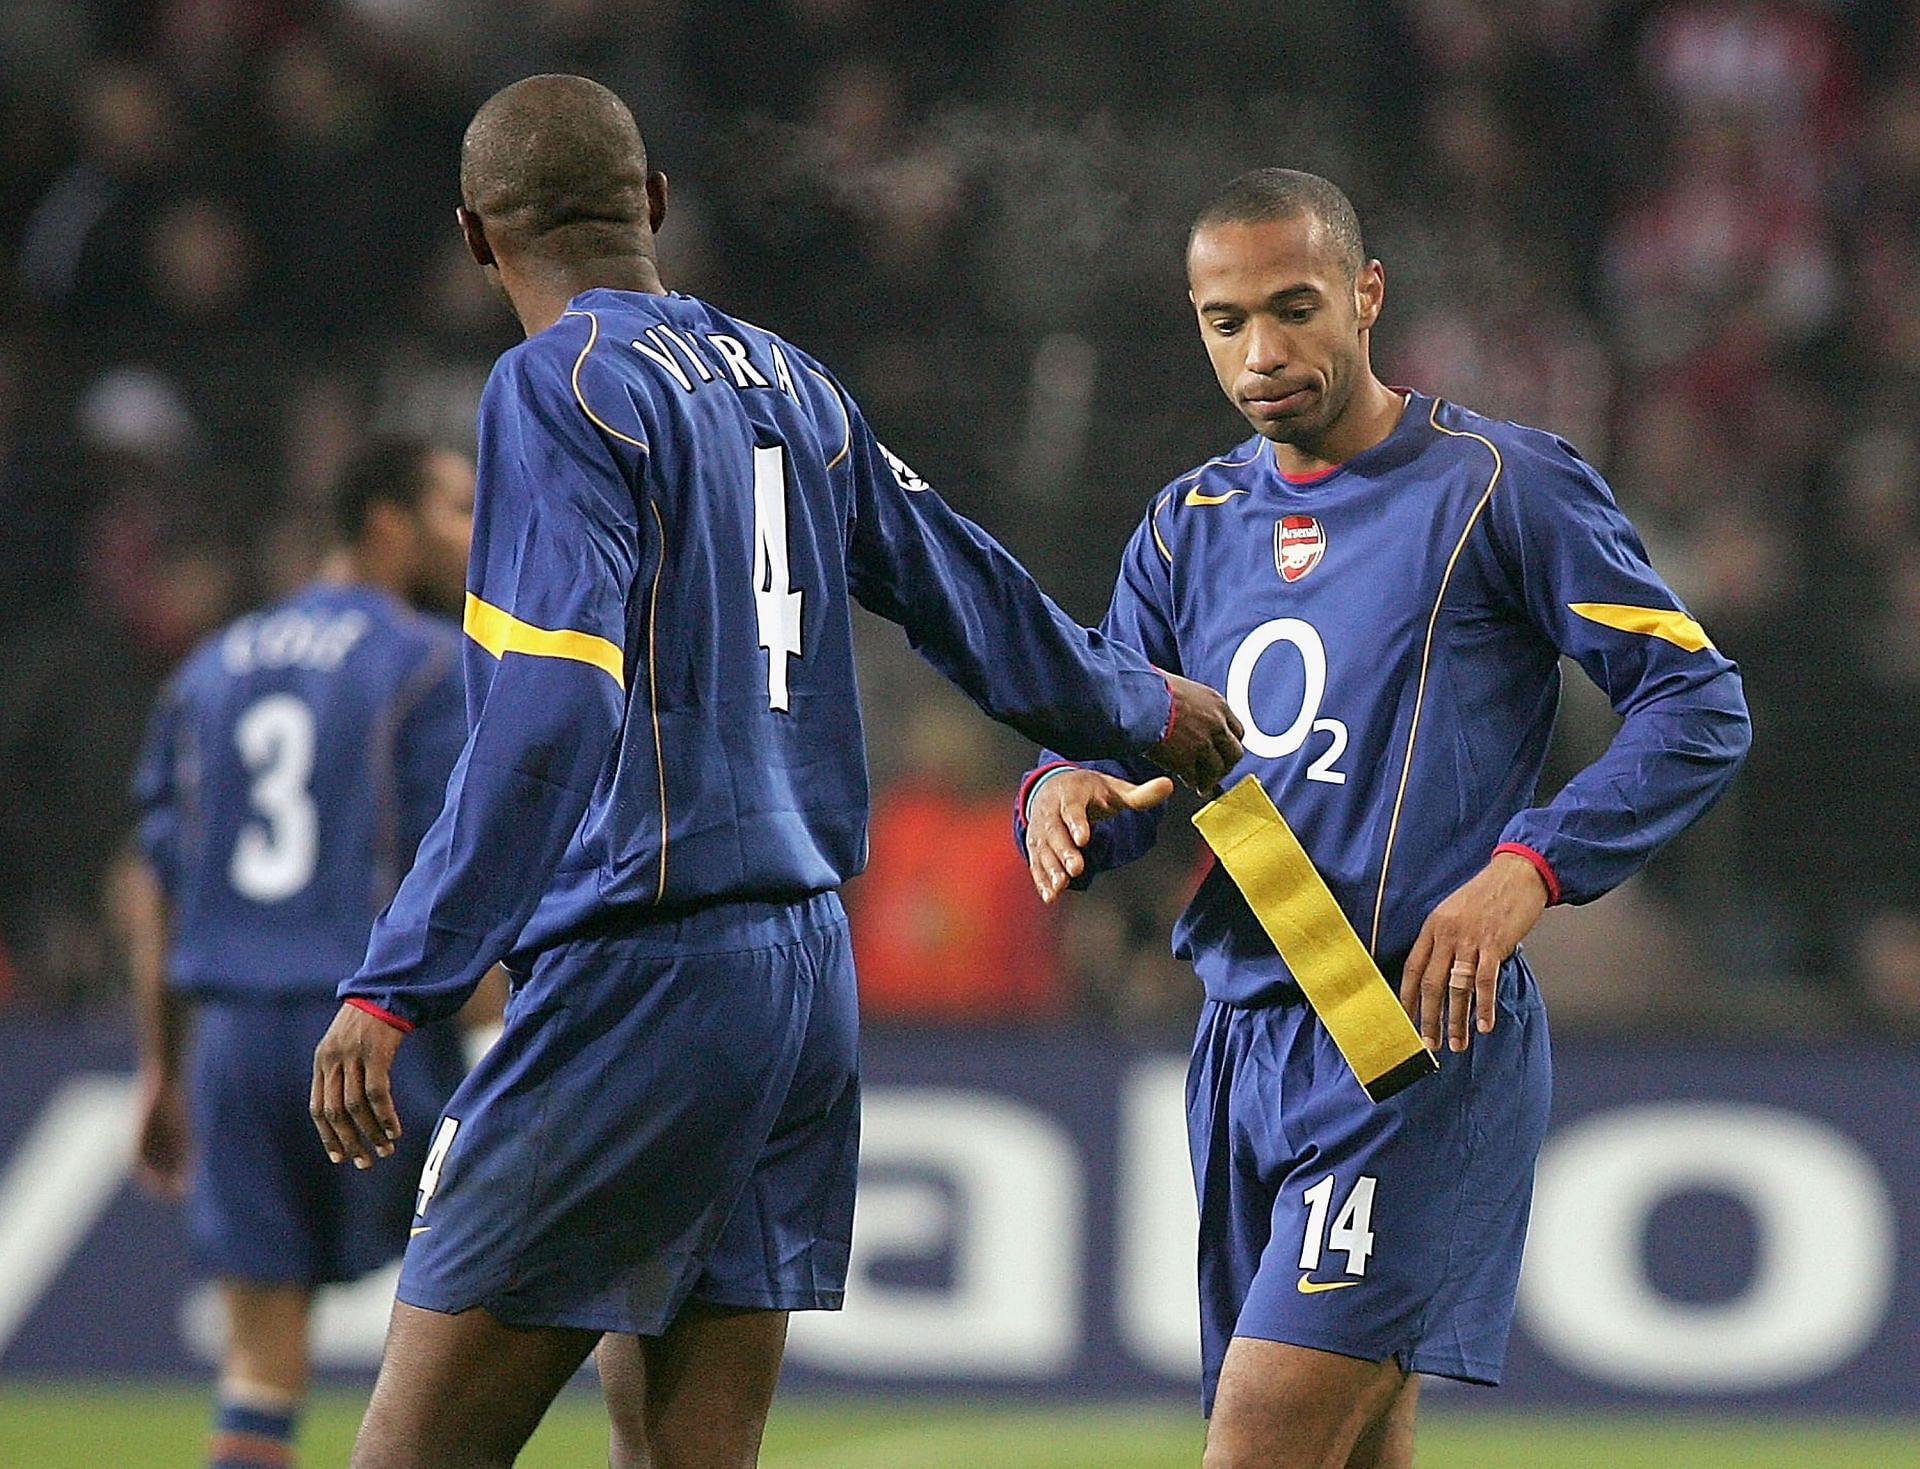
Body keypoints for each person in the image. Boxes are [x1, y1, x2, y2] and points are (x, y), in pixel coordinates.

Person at [306, 74, 1242, 1469]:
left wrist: (405, 974)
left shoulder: (554, 386)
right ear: (658, 207)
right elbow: (963, 590)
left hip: (640, 975)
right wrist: (1133, 700)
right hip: (802, 980)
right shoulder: (788, 377)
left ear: (473, 238)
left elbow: (552, 716)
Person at [1017, 169, 1752, 1469]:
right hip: (1242, 1031)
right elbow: (1114, 758)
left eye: (1295, 307)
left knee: (1258, 1449)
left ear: (1367, 295)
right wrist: (1061, 795)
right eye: (1226, 321)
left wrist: (1528, 869)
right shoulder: (1186, 528)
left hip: (1402, 1026)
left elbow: (1696, 706)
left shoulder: (1499, 484)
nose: (1263, 352)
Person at [129, 437, 501, 1469]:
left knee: (258, 1363)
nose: (475, 536)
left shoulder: (207, 670)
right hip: (373, 1035)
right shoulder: (431, 664)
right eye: (458, 511)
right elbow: (468, 860)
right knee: (469, 1356)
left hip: (235, 1038)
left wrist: (163, 1064)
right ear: (389, 521)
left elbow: (151, 880)